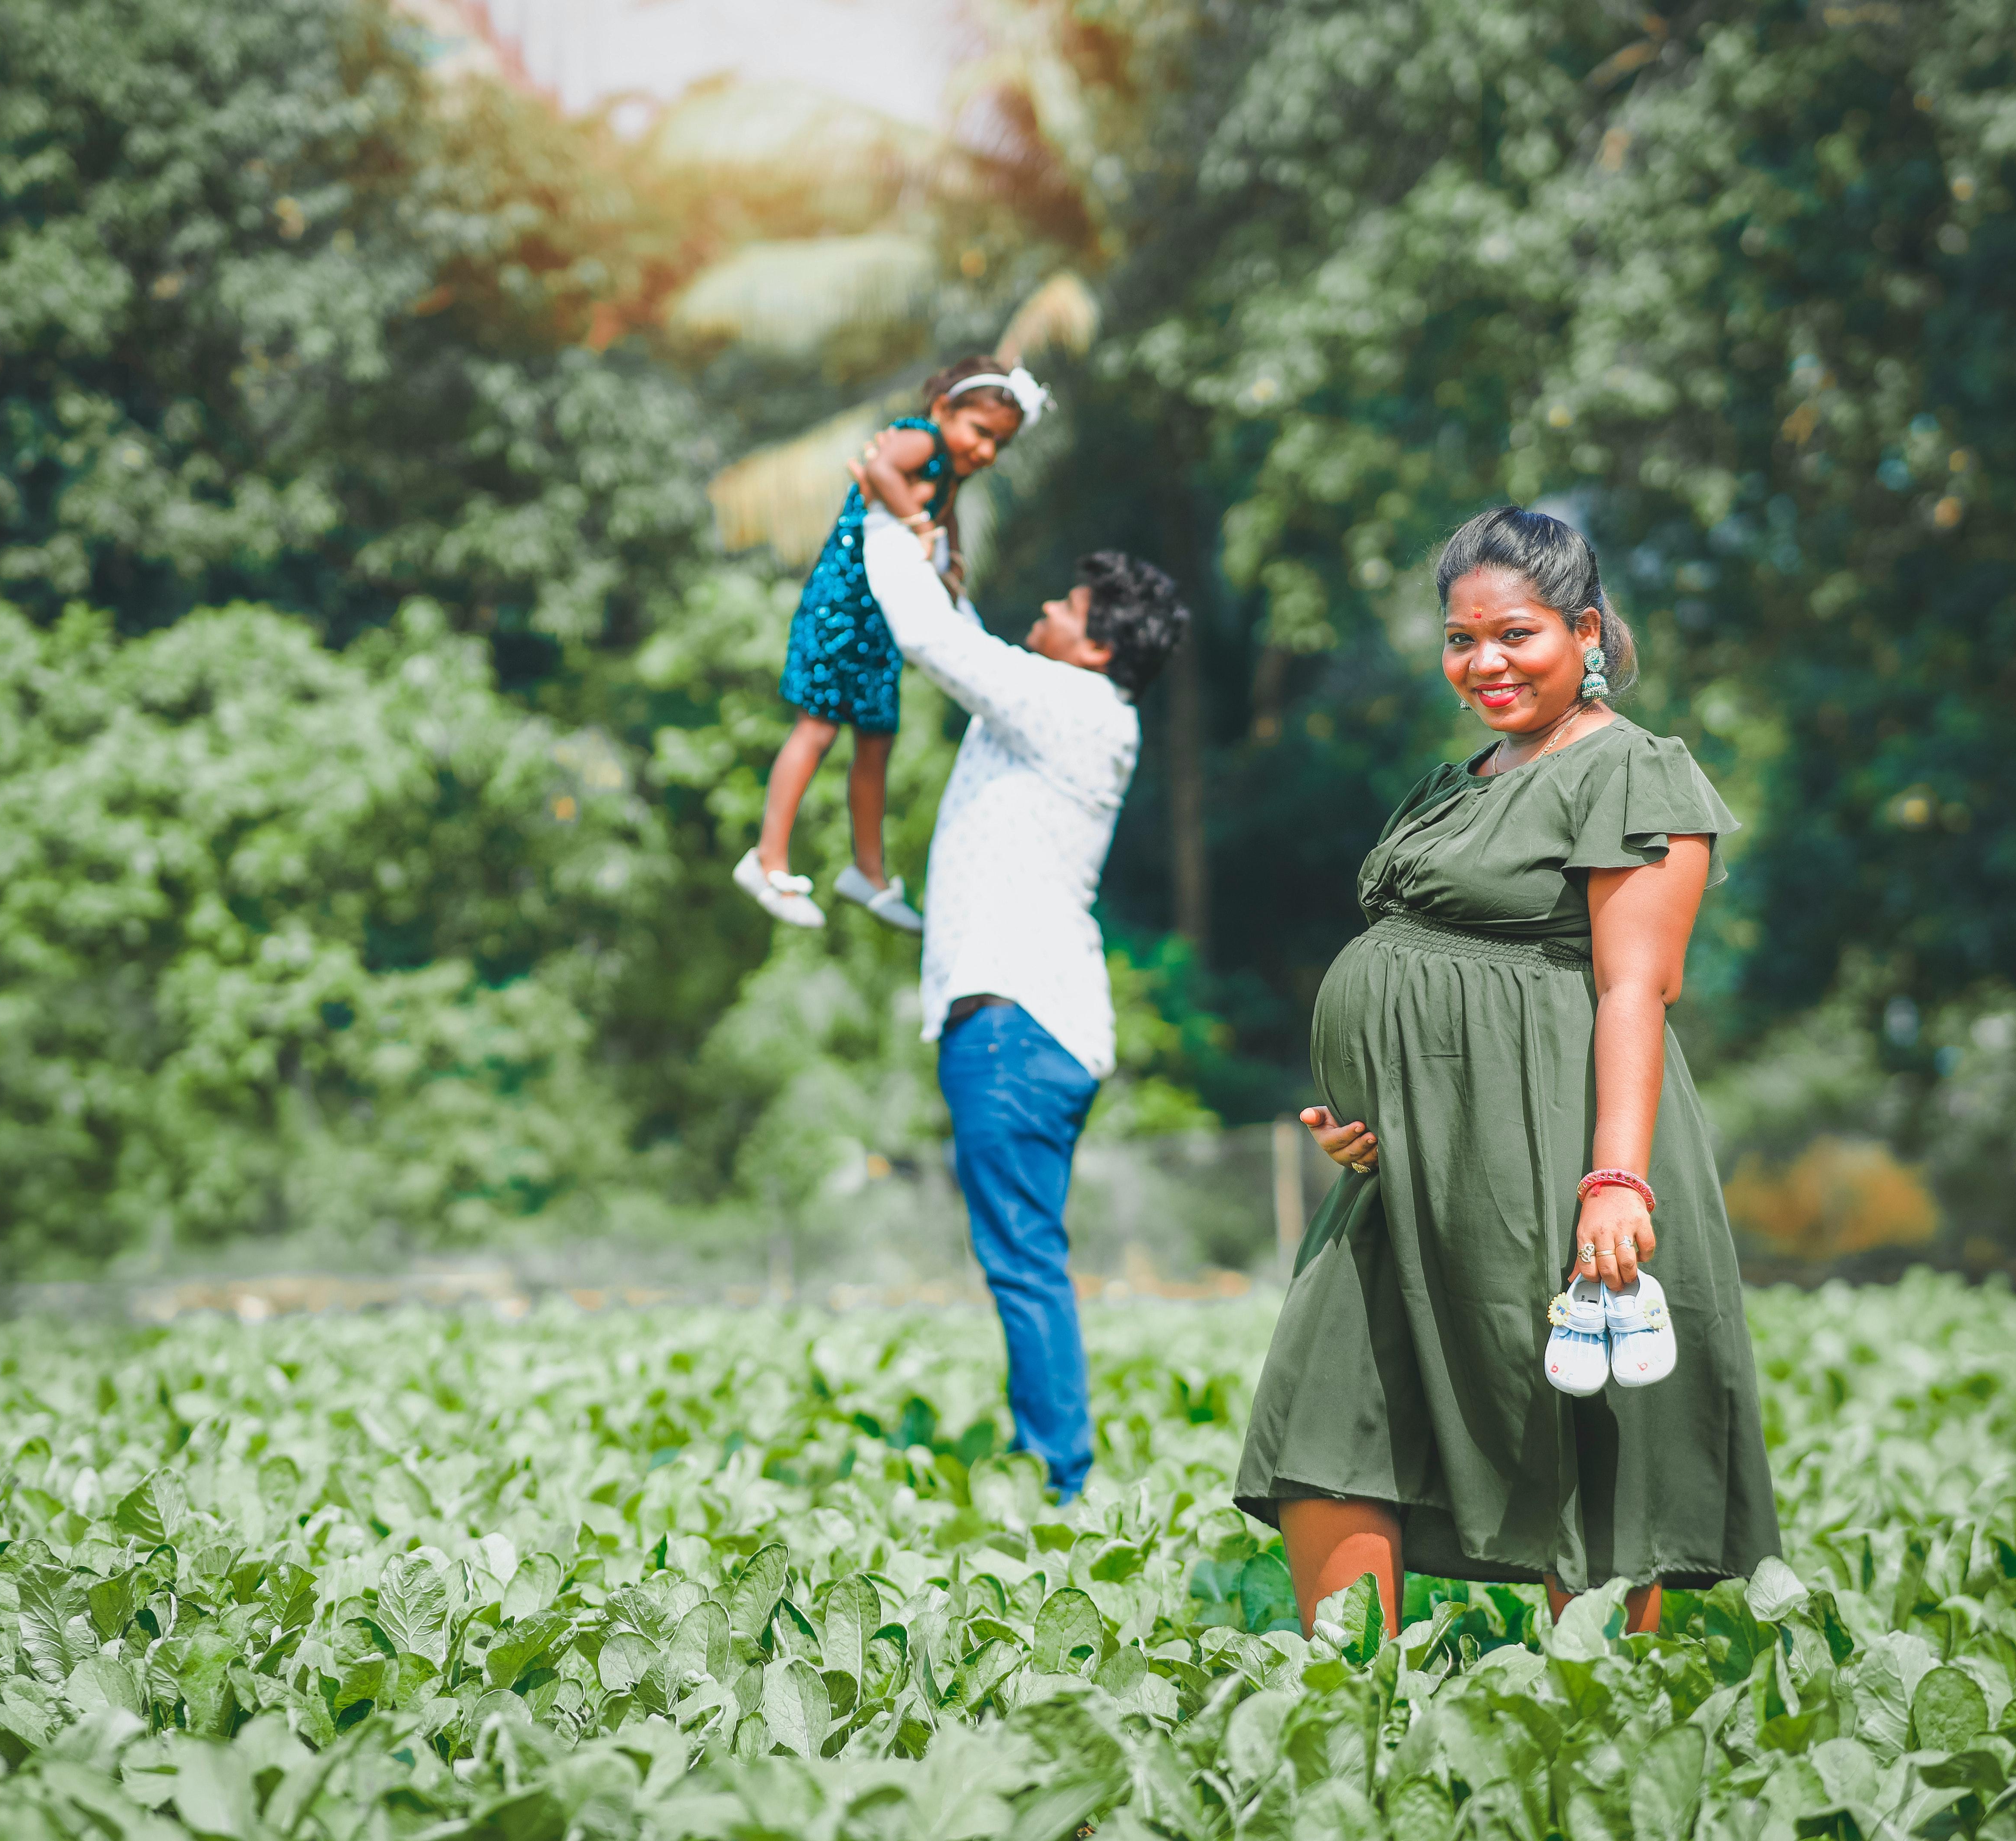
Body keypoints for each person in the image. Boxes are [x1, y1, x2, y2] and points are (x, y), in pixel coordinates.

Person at [1235, 505, 1782, 1636]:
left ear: (1586, 632)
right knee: (1326, 1410)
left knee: (1568, 1426)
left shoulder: (1632, 772)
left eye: (1516, 636)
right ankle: (1347, 1714)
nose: (1483, 664)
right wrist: (1363, 1106)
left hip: (1547, 1140)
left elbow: (1636, 988)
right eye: (1460, 640)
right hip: (1403, 1167)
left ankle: (1597, 1721)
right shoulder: (1472, 774)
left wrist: (1616, 1183)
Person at [858, 509, 1186, 1501]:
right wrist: (932, 542)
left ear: (1095, 645)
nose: (1041, 608)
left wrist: (879, 512)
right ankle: (1056, 1466)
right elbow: (964, 628)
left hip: (1014, 1025)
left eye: (1066, 604)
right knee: (1024, 1251)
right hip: (1024, 1023)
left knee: (1022, 1257)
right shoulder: (1070, 705)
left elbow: (930, 639)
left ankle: (1061, 1479)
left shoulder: (1075, 707)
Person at [733, 356, 1046, 932]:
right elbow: (880, 469)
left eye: (998, 445)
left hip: (881, 626)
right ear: (943, 410)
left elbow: (943, 517)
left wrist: (951, 562)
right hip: (843, 607)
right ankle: (768, 858)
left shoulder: (949, 469)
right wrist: (921, 526)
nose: (985, 453)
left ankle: (869, 872)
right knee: (818, 729)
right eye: (980, 434)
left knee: (877, 740)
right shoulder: (919, 439)